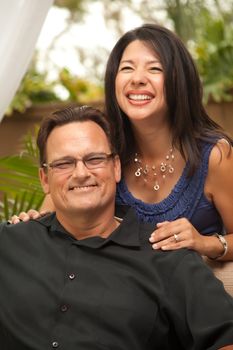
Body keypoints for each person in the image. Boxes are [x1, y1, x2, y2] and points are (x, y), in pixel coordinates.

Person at [1, 105, 233, 350]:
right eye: (64, 163)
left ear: (116, 168)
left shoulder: (169, 257)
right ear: (44, 179)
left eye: (94, 159)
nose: (81, 173)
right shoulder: (9, 243)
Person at [12, 24, 233, 261]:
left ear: (179, 80)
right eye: (127, 68)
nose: (137, 79)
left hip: (189, 289)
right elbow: (53, 211)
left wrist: (206, 243)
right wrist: (32, 223)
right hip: (115, 290)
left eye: (155, 68)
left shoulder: (215, 156)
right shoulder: (100, 148)